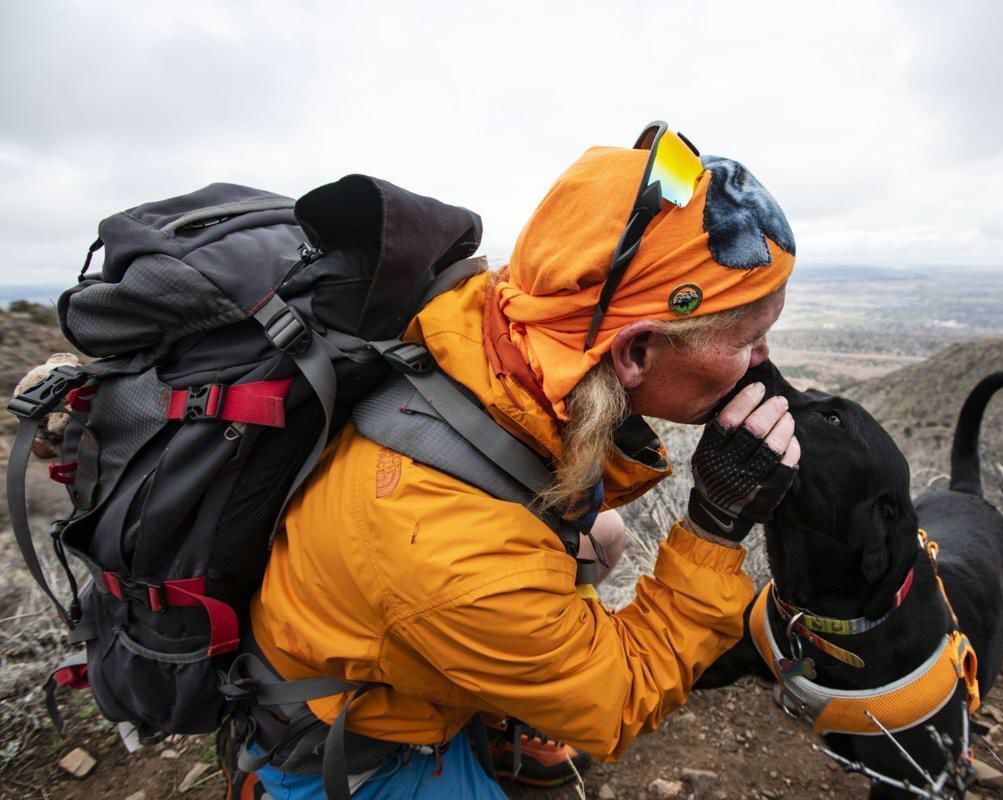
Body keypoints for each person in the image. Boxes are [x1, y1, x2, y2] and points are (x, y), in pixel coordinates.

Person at [245, 121, 800, 797]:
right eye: (750, 337)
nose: (764, 360)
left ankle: (519, 695)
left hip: (412, 607)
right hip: (358, 741)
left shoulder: (520, 321)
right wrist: (715, 525)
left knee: (607, 535)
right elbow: (621, 696)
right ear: (634, 354)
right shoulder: (459, 551)